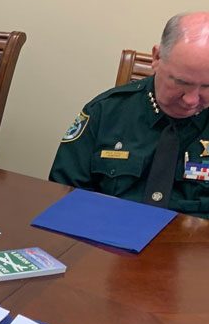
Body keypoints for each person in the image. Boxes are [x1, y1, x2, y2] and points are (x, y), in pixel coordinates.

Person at [50, 12, 209, 218]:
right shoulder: (106, 112)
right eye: (181, 82)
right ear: (157, 57)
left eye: (207, 86)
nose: (191, 100)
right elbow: (63, 195)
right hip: (106, 240)